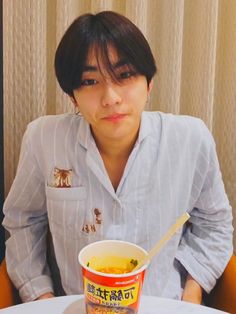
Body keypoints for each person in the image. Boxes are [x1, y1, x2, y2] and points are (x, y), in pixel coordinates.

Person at [2, 11, 233, 305]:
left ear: (149, 84)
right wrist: (41, 296)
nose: (110, 97)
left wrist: (193, 291)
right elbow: (23, 221)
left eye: (124, 75)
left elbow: (214, 224)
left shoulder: (190, 139)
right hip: (79, 306)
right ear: (72, 96)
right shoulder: (43, 139)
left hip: (164, 305)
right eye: (89, 81)